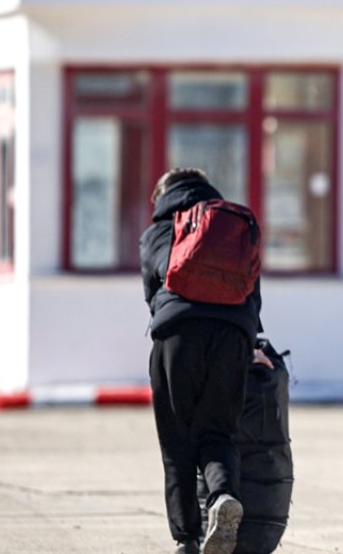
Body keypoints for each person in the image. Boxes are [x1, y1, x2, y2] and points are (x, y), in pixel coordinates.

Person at [140, 168, 263, 554]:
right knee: (218, 432)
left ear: (163, 195)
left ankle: (186, 538)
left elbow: (153, 292)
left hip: (178, 335)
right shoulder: (233, 224)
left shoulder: (159, 230)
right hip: (233, 336)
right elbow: (252, 291)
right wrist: (252, 342)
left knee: (177, 441)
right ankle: (222, 496)